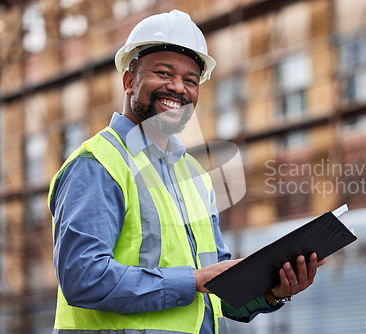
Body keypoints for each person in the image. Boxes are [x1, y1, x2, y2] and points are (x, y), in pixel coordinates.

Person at [48, 9, 326, 334]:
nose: (178, 88)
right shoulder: (98, 164)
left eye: (190, 81)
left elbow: (216, 290)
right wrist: (191, 281)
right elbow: (82, 278)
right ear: (128, 82)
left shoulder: (193, 175)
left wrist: (272, 291)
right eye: (164, 73)